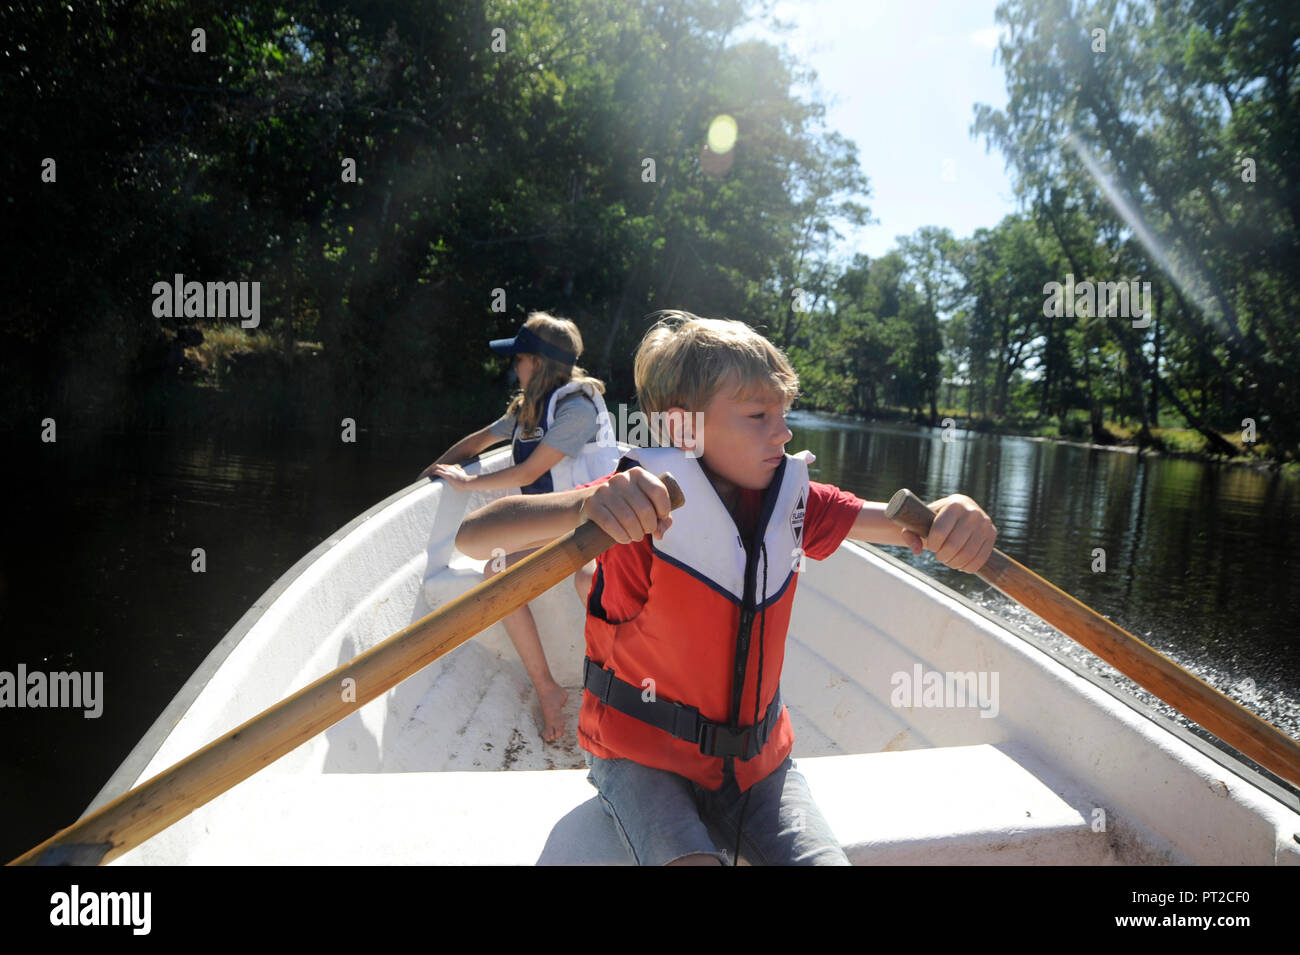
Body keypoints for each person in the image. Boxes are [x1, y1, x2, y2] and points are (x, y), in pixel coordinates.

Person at [454, 310, 997, 865]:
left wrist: (958, 514)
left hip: (759, 767)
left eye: (783, 413)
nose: (783, 432)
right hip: (642, 759)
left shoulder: (794, 501)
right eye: (758, 414)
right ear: (682, 426)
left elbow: (913, 526)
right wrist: (585, 503)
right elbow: (476, 536)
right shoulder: (636, 500)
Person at [420, 311, 618, 742]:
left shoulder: (576, 409)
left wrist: (470, 482)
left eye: (520, 359)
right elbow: (477, 443)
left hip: (596, 527)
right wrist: (427, 475)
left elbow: (529, 474)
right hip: (555, 531)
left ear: (539, 362)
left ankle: (619, 693)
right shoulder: (528, 406)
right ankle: (548, 690)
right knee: (496, 573)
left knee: (589, 580)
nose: (515, 368)